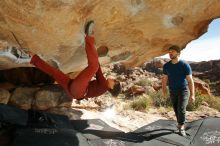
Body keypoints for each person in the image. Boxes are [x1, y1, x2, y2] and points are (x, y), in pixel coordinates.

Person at [1, 20, 121, 100]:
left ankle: (89, 36)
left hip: (78, 90)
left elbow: (94, 67)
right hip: (74, 91)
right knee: (55, 72)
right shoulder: (103, 83)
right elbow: (98, 68)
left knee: (92, 66)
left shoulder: (103, 88)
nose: (113, 79)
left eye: (114, 81)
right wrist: (97, 53)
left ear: (111, 87)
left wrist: (94, 54)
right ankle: (32, 58)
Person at [162, 45, 195, 137]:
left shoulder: (185, 65)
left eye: (172, 51)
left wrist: (192, 95)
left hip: (183, 90)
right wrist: (164, 89)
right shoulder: (166, 66)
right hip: (172, 90)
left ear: (178, 53)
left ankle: (181, 126)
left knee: (181, 108)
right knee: (176, 109)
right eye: (169, 51)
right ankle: (180, 123)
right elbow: (164, 78)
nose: (170, 53)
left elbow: (190, 80)